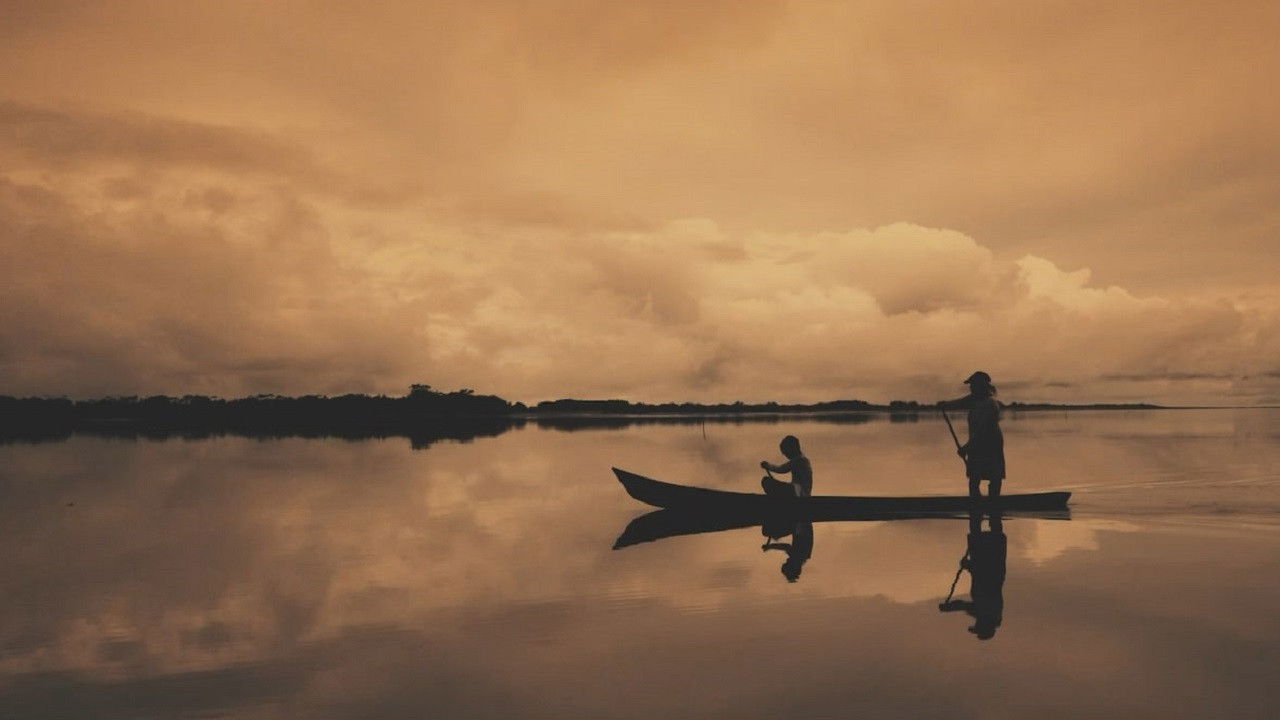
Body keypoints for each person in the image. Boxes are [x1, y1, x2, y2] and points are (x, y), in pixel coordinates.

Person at [938, 371, 1005, 498]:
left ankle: (993, 506)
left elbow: (982, 432)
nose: (971, 388)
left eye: (973, 385)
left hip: (991, 446)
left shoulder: (990, 405)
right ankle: (976, 505)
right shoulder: (973, 400)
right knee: (974, 479)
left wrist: (966, 448)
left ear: (981, 386)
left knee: (994, 478)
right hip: (975, 446)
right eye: (971, 385)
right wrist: (945, 404)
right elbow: (959, 403)